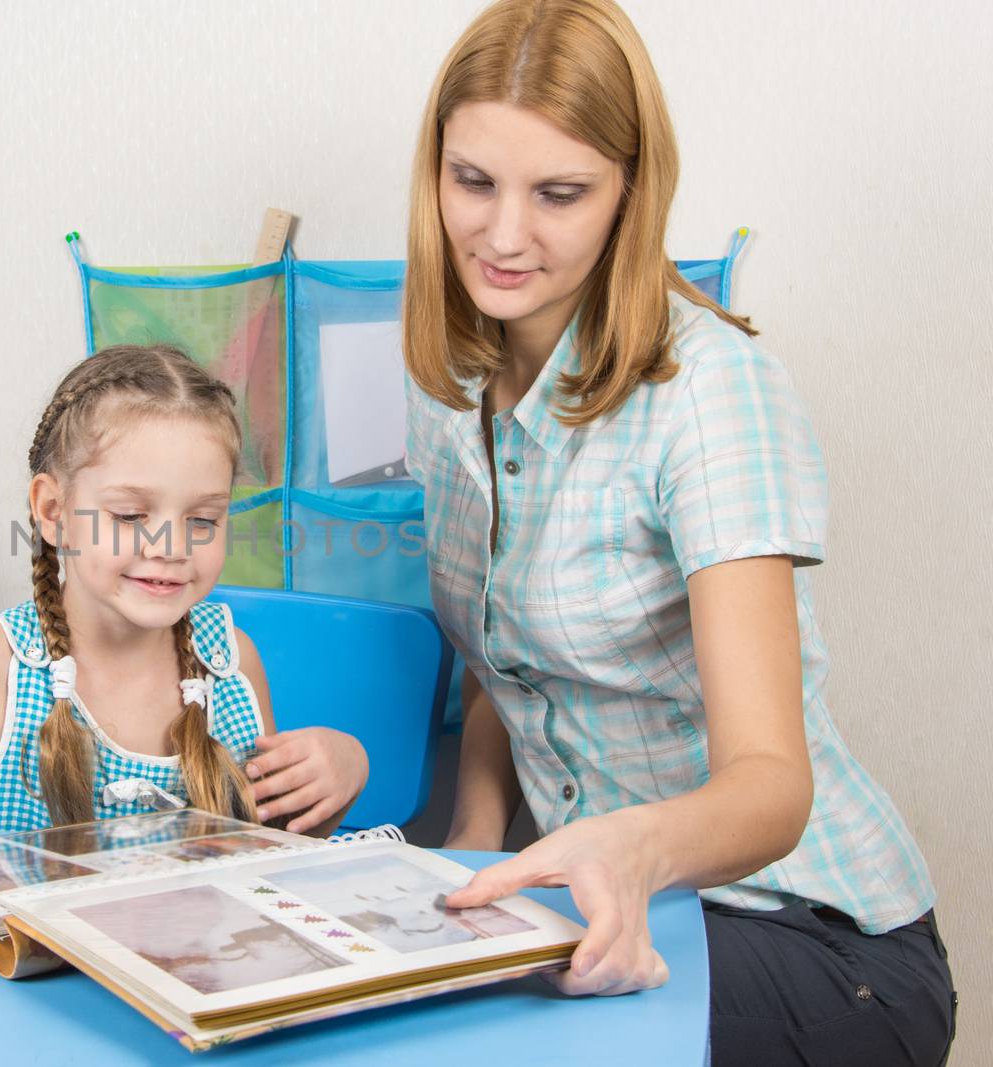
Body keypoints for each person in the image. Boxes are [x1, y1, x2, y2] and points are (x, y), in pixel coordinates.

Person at [400, 1, 955, 1062]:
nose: (503, 234)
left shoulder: (712, 392)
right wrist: (464, 852)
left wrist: (628, 848)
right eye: (473, 181)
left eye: (558, 193)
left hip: (808, 935)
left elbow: (768, 781)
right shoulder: (451, 379)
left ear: (628, 192)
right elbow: (504, 669)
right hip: (618, 899)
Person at [0, 344, 369, 906]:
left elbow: (271, 853)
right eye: (131, 514)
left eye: (203, 519)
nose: (170, 545)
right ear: (53, 512)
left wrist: (341, 774)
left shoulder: (231, 663)